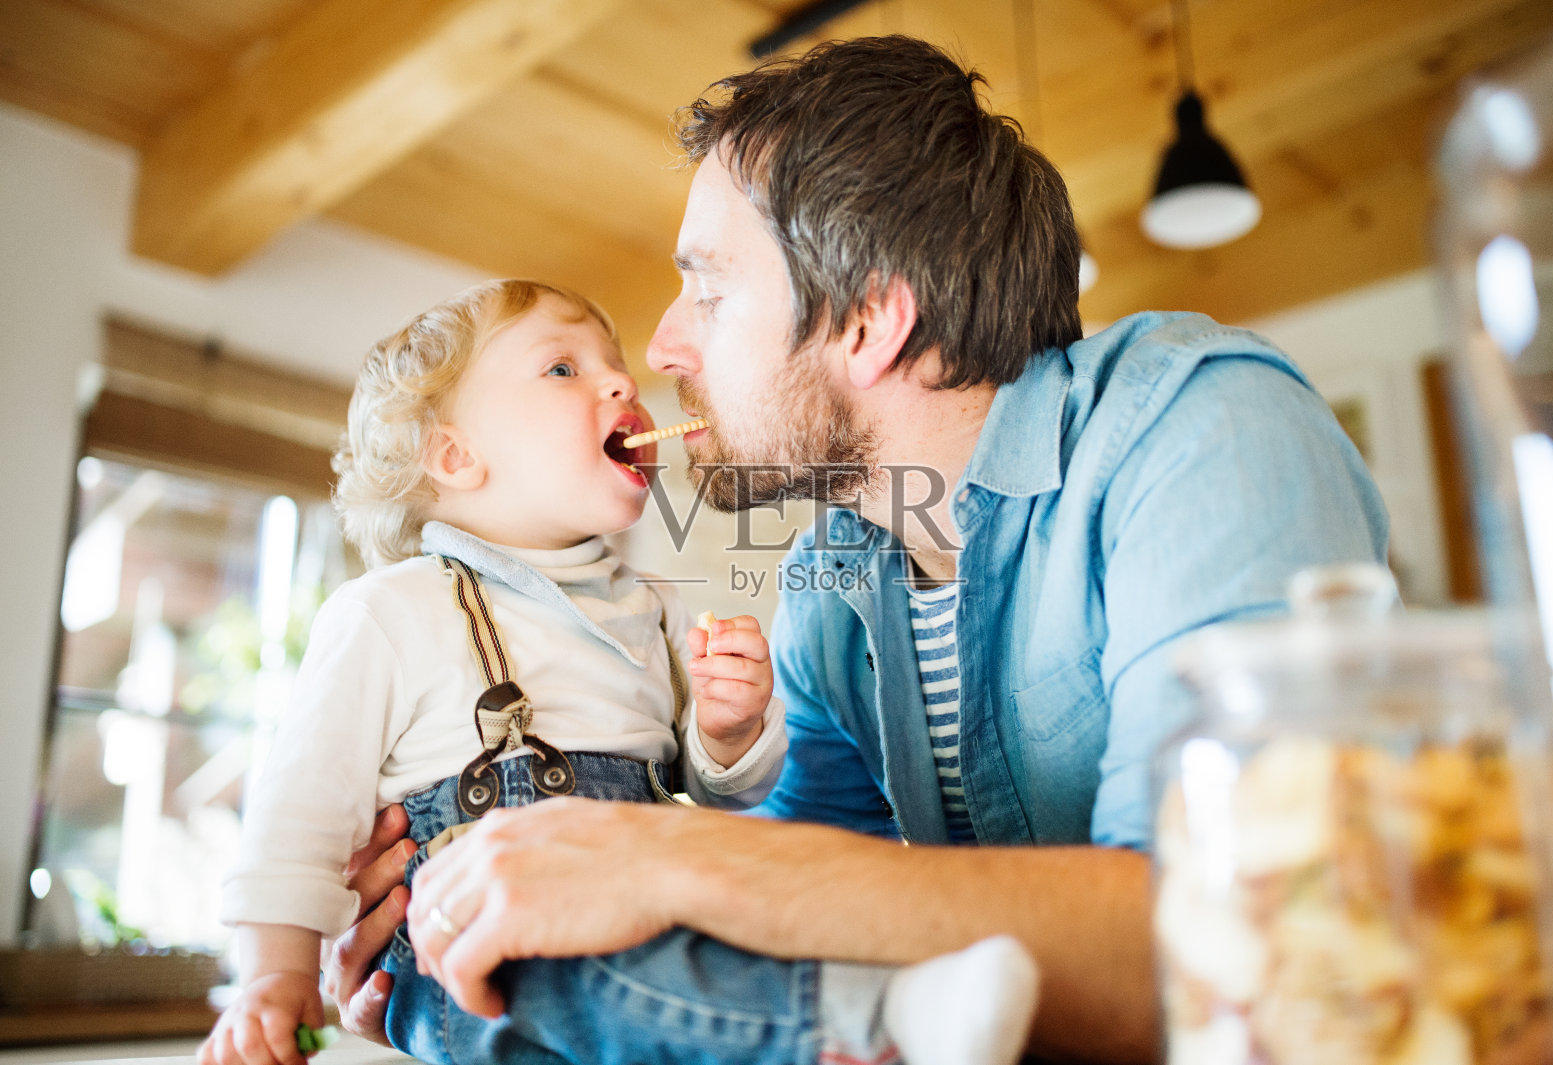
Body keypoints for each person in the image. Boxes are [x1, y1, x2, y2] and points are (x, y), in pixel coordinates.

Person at [323, 36, 1390, 1064]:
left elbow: (1251, 956)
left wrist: (675, 852)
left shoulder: (1202, 430)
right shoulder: (830, 590)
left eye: (710, 290)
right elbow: (812, 942)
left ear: (870, 321)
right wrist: (481, 970)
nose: (661, 349)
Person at [198, 278, 1042, 1065]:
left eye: (617, 368)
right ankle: (867, 1021)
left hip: (632, 912)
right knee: (580, 958)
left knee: (725, 932)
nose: (620, 386)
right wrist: (276, 976)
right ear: (454, 456)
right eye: (564, 367)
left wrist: (729, 731)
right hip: (482, 948)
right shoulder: (390, 610)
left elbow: (717, 793)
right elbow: (297, 812)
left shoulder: (651, 608)